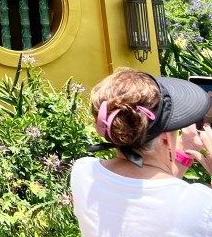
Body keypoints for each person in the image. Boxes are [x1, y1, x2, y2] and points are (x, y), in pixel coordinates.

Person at [71, 68, 212, 237]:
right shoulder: (202, 207)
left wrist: (183, 153)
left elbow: (152, 195)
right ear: (165, 137)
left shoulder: (84, 172)